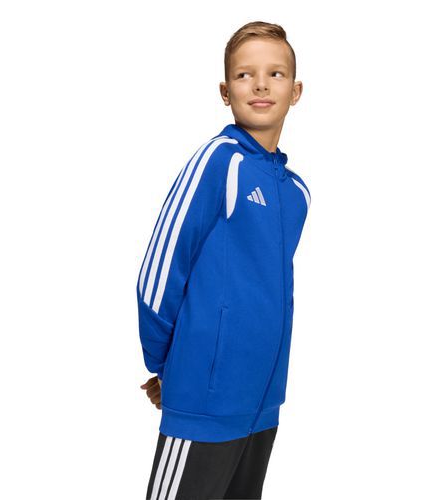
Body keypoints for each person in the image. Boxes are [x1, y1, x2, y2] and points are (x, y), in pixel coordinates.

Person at [137, 20, 311, 500]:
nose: (260, 85)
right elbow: (161, 268)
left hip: (261, 406)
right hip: (204, 401)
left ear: (295, 91)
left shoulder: (295, 192)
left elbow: (268, 295)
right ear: (224, 90)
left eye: (275, 74)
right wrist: (167, 366)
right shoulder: (219, 161)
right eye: (244, 74)